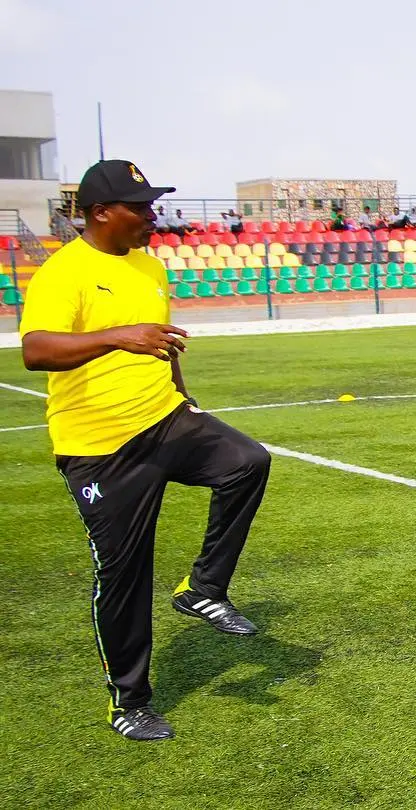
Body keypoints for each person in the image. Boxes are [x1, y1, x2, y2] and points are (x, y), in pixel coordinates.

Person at [18, 160, 272, 741]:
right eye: (140, 206)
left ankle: (204, 589)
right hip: (99, 445)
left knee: (247, 462)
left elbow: (160, 343)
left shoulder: (150, 266)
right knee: (125, 572)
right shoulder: (64, 272)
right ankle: (129, 702)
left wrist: (186, 399)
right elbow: (36, 351)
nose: (152, 216)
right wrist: (116, 336)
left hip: (164, 418)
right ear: (101, 213)